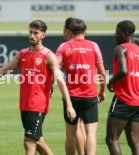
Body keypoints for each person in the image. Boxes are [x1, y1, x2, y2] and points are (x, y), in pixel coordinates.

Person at [0, 20, 76, 155]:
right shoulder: (22, 54)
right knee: (39, 143)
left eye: (36, 33)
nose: (32, 35)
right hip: (24, 105)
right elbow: (1, 71)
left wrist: (69, 104)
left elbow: (60, 80)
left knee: (29, 142)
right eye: (30, 32)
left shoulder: (49, 56)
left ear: (43, 35)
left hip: (38, 104)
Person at [56, 18, 106, 155]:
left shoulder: (63, 47)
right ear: (86, 31)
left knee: (70, 135)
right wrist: (102, 91)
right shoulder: (93, 46)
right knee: (91, 134)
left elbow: (55, 70)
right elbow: (102, 72)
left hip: (71, 97)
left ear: (70, 31)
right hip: (90, 96)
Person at [105, 20, 139, 155]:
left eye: (117, 33)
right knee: (134, 140)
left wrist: (110, 82)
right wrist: (137, 95)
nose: (115, 35)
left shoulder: (121, 49)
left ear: (126, 34)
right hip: (137, 102)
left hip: (123, 100)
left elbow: (123, 70)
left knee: (112, 139)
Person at [62, 17, 87, 155]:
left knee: (74, 127)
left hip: (71, 90)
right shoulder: (88, 45)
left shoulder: (66, 47)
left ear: (67, 30)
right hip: (87, 90)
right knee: (82, 124)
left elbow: (57, 69)